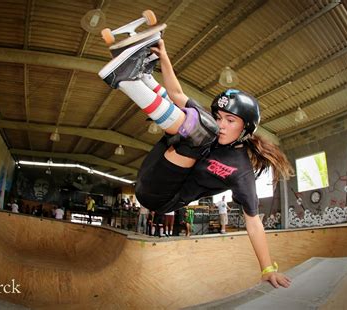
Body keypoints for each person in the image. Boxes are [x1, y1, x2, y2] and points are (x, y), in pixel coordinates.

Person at [98, 38, 294, 288]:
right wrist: (164, 57)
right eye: (220, 117)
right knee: (196, 119)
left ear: (246, 129)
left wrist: (268, 269)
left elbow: (253, 223)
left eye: (230, 120)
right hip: (152, 170)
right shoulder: (212, 129)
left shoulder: (241, 170)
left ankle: (126, 81)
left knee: (200, 129)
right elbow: (177, 94)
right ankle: (143, 76)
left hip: (161, 197)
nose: (222, 124)